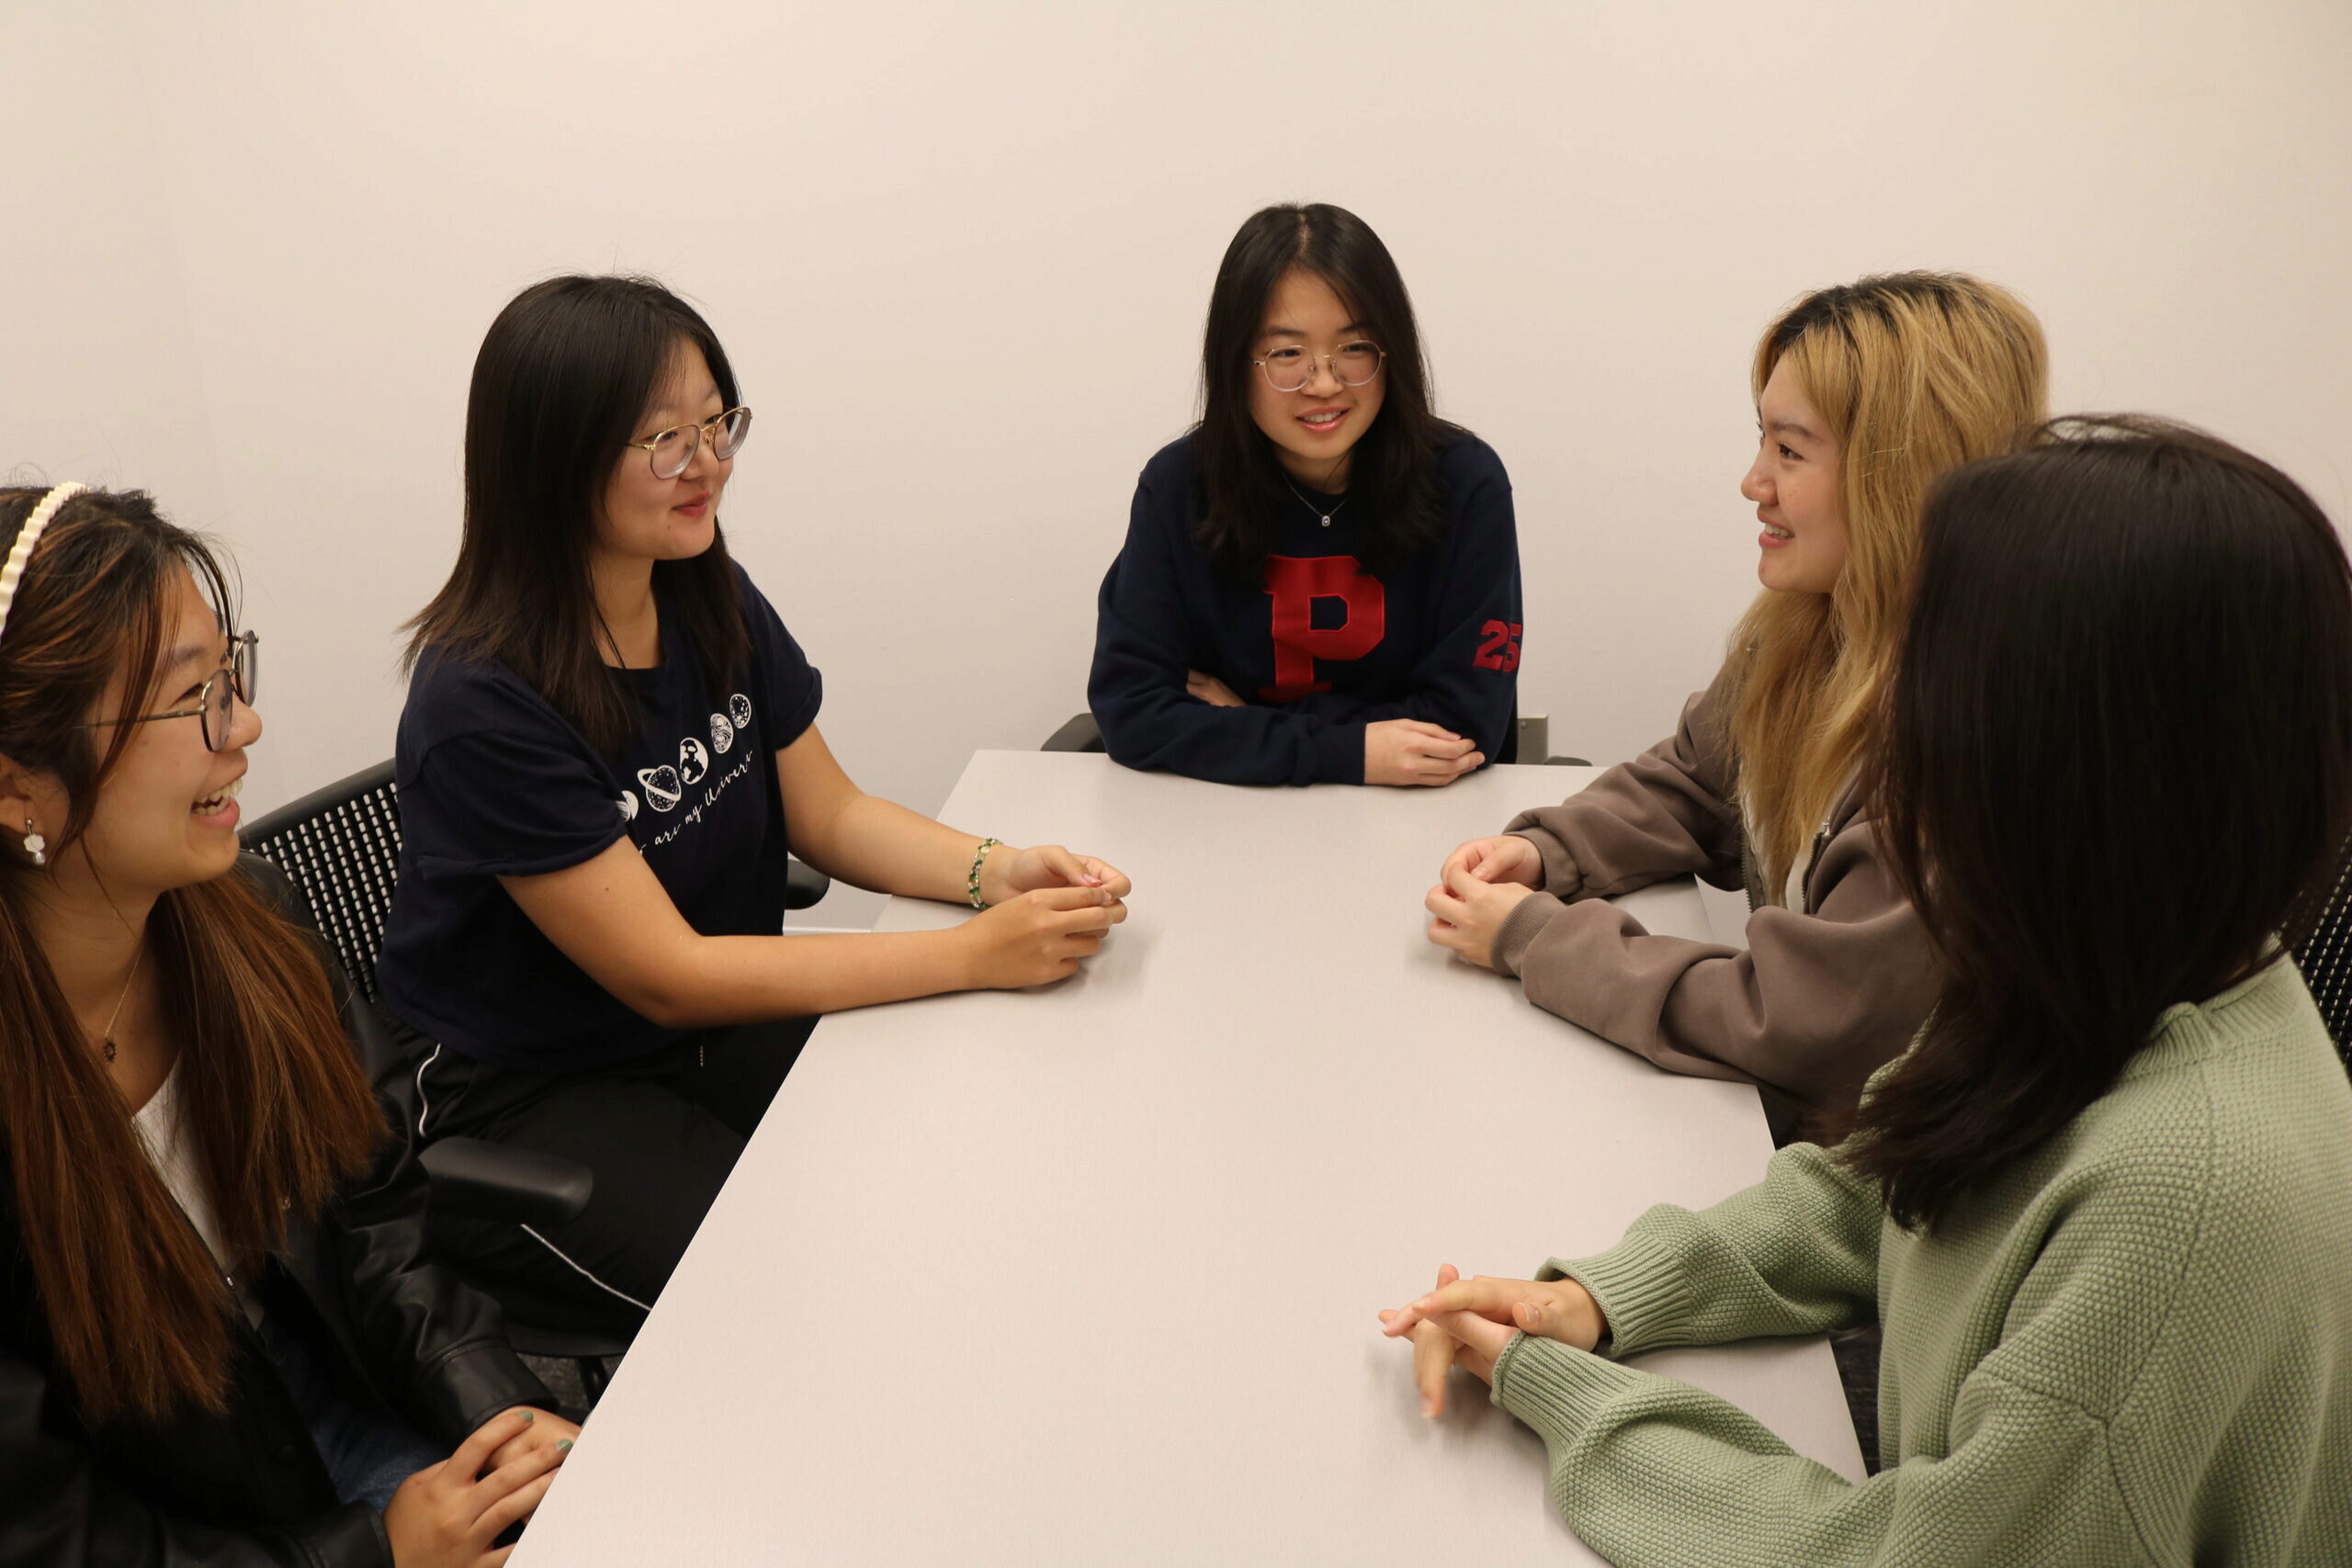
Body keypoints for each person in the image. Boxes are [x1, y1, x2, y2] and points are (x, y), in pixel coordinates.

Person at [1379, 420, 2352, 1565]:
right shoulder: (2095, 960)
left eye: (1937, 676)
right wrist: (1606, 1297)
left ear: (2076, 752)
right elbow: (1897, 1173)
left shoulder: (2178, 1206)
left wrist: (1572, 1399)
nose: (1902, 726)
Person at [380, 276, 1130, 1335]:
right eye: (664, 441)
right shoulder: (481, 702)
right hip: (532, 1096)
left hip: (700, 1032)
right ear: (554, 459)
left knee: (945, 1148)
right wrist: (974, 952)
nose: (710, 465)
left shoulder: (697, 587)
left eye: (716, 423)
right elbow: (670, 976)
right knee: (799, 1296)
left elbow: (827, 812)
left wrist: (994, 870)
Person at [0, 483, 579, 1568]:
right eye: (194, 698)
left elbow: (374, 1219)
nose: (246, 727)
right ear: (16, 783)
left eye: (233, 675)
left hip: (346, 1415)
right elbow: (41, 1532)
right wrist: (370, 1556)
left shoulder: (250, 920)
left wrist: (499, 1424)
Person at [1428, 272, 2046, 1122]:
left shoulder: (1958, 747)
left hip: (1867, 1201)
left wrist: (1529, 935)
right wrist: (1548, 852)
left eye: (1790, 452)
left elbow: (1790, 1020)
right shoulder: (1805, 629)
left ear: (1905, 478)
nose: (1753, 481)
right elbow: (1696, 780)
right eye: (1764, 441)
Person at [1089, 202, 1522, 787]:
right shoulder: (1178, 487)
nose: (1324, 383)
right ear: (1234, 362)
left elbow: (1470, 725)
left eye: (1355, 347)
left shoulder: (1467, 482)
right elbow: (1130, 711)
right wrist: (1352, 750)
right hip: (1228, 825)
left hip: (1428, 829)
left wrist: (1252, 723)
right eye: (1287, 354)